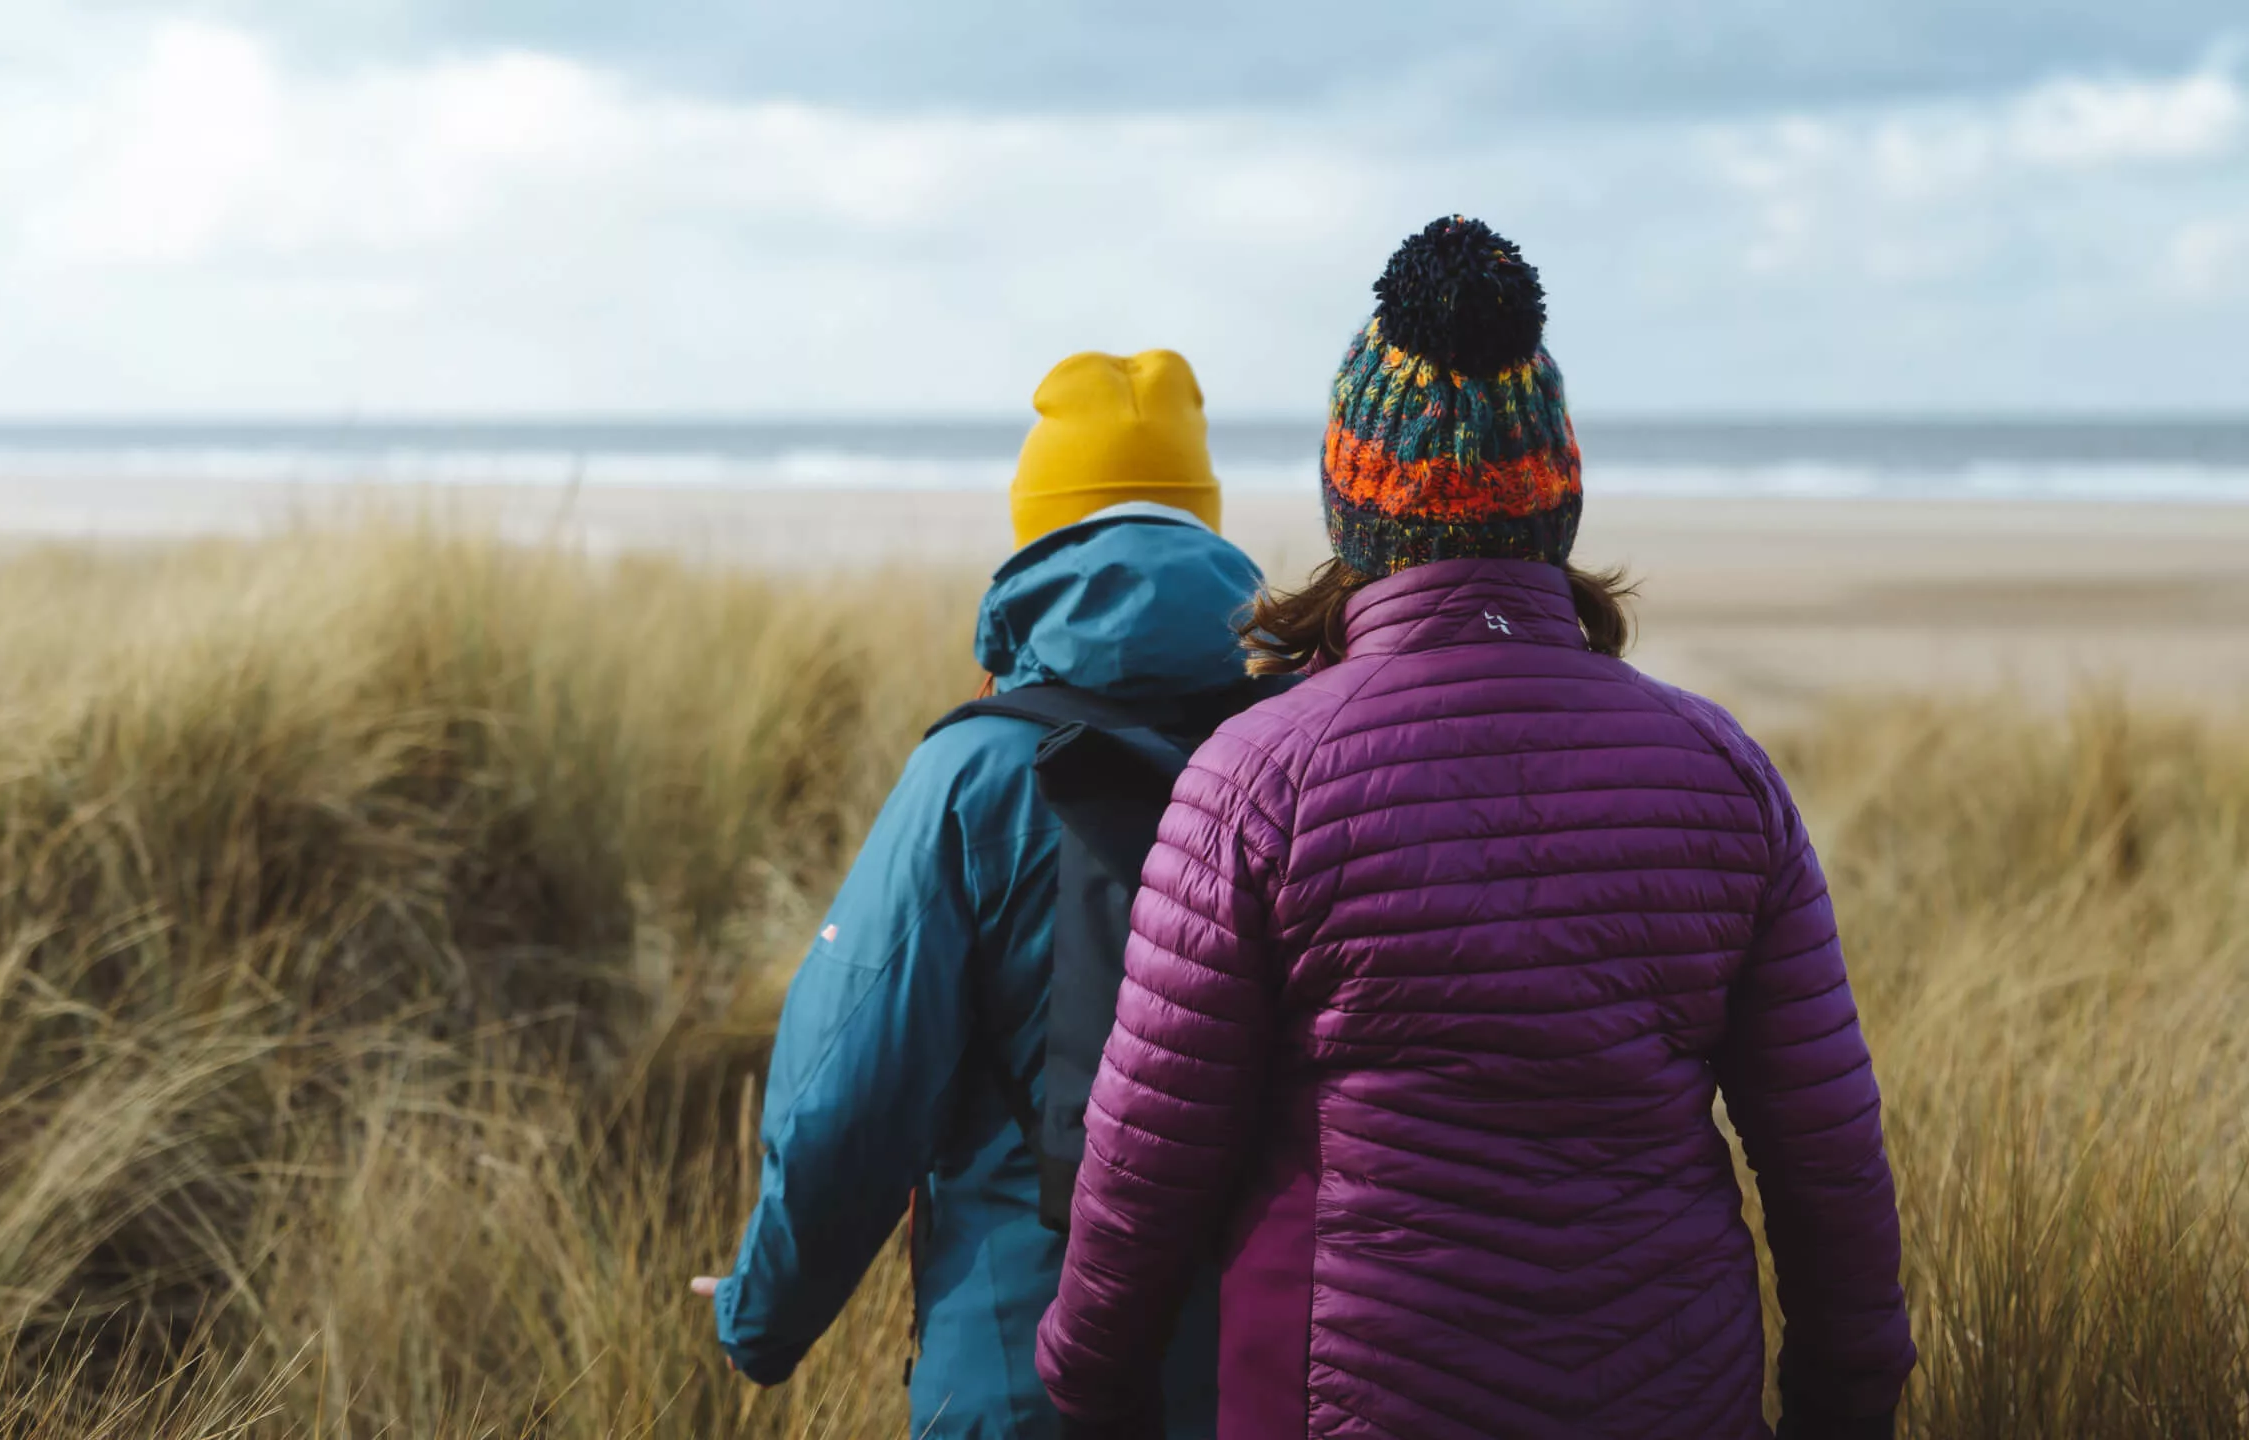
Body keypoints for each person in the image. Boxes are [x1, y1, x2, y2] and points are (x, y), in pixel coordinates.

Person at [1035, 219, 1916, 1440]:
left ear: (1354, 508)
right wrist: (1845, 1399)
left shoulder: (1255, 780)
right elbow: (1824, 1154)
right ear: (1553, 502)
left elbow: (1145, 1160)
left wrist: (1088, 1385)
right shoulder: (1722, 772)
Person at [695, 349, 1268, 1438]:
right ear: (1205, 527)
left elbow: (846, 1095)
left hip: (1013, 1375)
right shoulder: (1296, 748)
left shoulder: (973, 775)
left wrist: (759, 1319)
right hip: (1258, 1378)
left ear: (1037, 534)